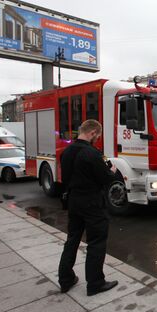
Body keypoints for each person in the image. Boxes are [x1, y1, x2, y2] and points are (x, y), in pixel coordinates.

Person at [58, 120, 118, 296]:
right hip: (91, 202)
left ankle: (65, 279)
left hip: (74, 201)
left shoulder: (67, 152)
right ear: (92, 133)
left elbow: (66, 178)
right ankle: (95, 283)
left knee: (72, 239)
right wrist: (112, 171)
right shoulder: (92, 154)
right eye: (97, 136)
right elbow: (105, 178)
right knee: (96, 242)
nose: (97, 139)